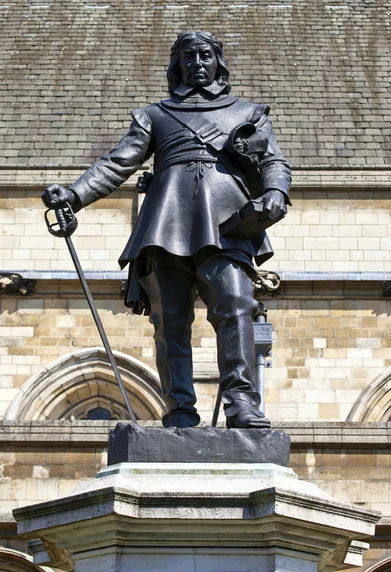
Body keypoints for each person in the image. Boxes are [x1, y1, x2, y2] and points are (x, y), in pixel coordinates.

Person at [42, 31, 291, 429]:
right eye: (188, 56)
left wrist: (277, 190)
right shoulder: (155, 115)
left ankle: (242, 402)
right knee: (170, 319)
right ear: (177, 66)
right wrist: (73, 194)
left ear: (218, 62)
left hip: (228, 222)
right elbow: (116, 164)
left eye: (205, 55)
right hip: (167, 222)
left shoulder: (247, 113)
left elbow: (273, 161)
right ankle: (179, 408)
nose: (197, 63)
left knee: (235, 305)